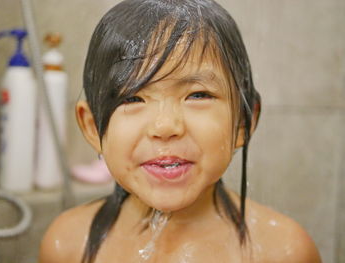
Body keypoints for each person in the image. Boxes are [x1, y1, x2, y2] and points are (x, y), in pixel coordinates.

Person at [39, 0, 322, 262]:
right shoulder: (68, 244)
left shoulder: (283, 251)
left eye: (198, 95)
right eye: (132, 98)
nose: (165, 126)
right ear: (92, 127)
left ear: (243, 123)